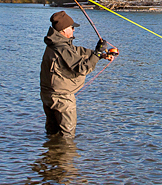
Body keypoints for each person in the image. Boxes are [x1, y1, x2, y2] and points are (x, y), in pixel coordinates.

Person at [39, 10, 115, 138]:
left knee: (53, 134)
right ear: (63, 30)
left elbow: (77, 52)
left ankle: (50, 156)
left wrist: (100, 55)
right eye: (72, 27)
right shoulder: (62, 48)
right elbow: (82, 68)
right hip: (61, 98)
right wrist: (96, 54)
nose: (74, 30)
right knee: (67, 137)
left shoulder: (56, 43)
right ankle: (64, 156)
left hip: (48, 96)